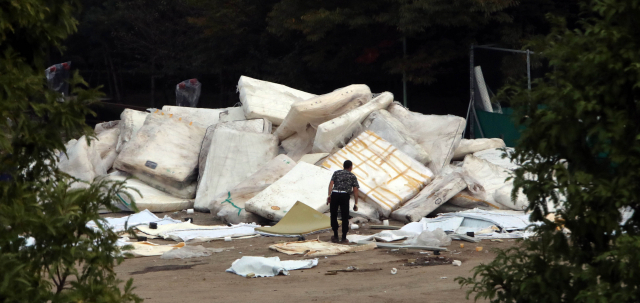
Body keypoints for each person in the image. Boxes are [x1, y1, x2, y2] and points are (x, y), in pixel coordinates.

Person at [326, 160, 360, 243]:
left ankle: (335, 236)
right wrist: (356, 203)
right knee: (345, 216)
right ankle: (344, 238)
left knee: (333, 215)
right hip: (344, 195)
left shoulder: (336, 173)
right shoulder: (352, 176)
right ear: (350, 167)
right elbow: (355, 190)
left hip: (335, 194)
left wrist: (329, 195)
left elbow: (331, 183)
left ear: (343, 166)